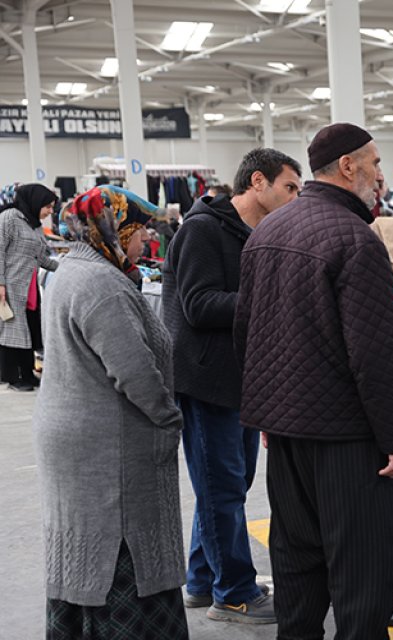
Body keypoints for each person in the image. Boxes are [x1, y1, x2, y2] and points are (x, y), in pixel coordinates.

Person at [235, 123, 393, 639]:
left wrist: (265, 414)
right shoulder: (356, 241)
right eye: (375, 163)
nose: (381, 175)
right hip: (346, 442)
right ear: (348, 166)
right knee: (363, 577)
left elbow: (247, 332)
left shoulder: (267, 231)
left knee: (296, 567)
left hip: (286, 438)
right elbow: (374, 355)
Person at [37, 186, 189, 639]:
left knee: (85, 552)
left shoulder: (73, 269)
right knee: (120, 552)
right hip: (108, 449)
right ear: (113, 230)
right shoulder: (102, 285)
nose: (145, 240)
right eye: (138, 230)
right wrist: (169, 419)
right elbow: (135, 373)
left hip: (78, 437)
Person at [163, 148, 301, 624]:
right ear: (257, 182)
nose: (295, 198)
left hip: (239, 380)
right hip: (206, 382)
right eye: (290, 188)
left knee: (228, 485)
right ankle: (234, 595)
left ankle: (202, 581)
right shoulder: (201, 229)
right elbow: (198, 305)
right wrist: (268, 296)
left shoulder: (249, 232)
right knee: (222, 488)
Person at [0, 184, 58, 391]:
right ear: (36, 201)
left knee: (29, 329)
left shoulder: (35, 224)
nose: (50, 211)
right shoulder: (9, 218)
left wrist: (65, 267)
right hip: (9, 283)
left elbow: (42, 257)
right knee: (12, 329)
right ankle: (13, 377)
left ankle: (27, 373)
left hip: (29, 284)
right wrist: (1, 283)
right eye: (48, 207)